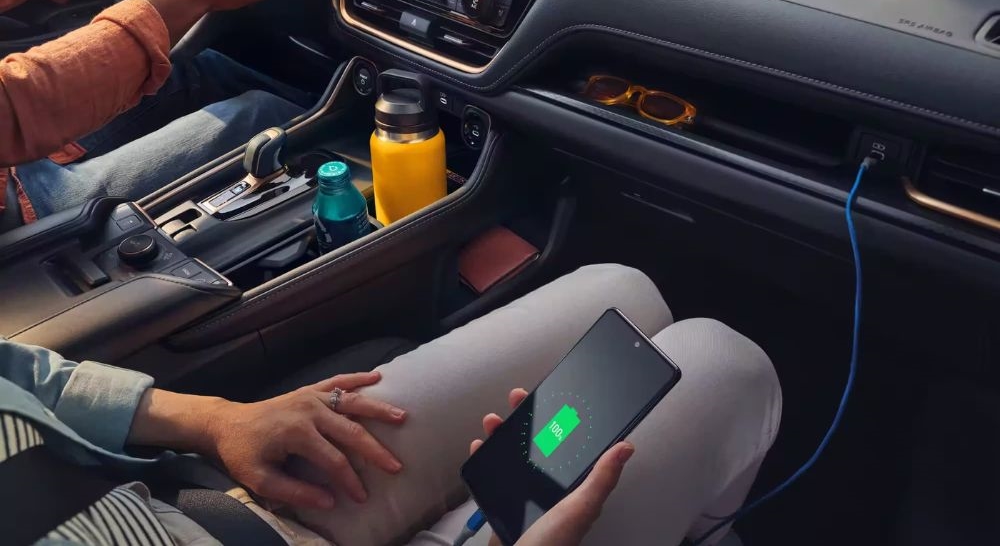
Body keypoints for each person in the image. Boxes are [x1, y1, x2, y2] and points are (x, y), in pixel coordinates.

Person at [0, 264, 782, 545]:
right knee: (724, 362)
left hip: (213, 508)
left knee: (622, 289)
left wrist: (213, 419)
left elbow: (22, 374)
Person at [0, 0, 313, 226]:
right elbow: (18, 104)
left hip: (13, 168)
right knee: (263, 114)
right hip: (20, 215)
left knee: (192, 70)